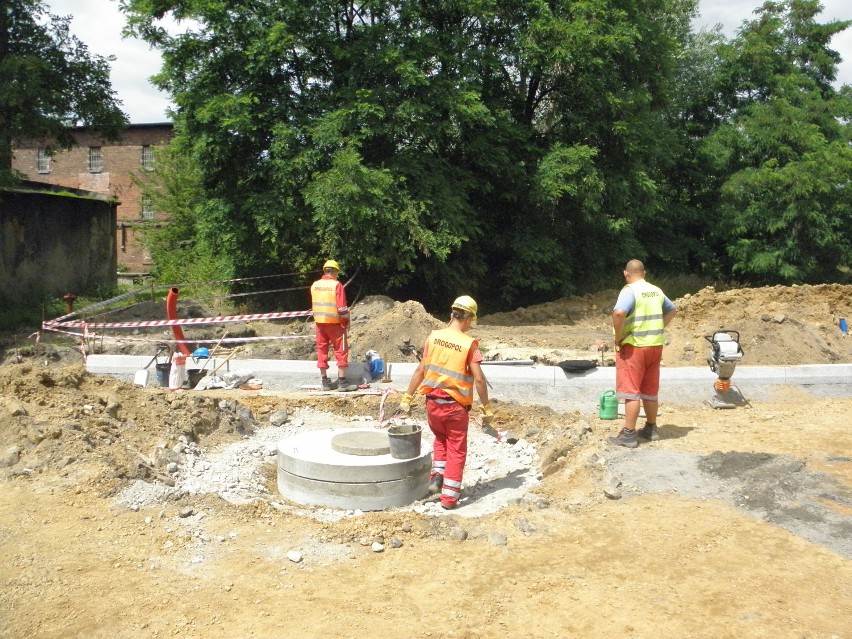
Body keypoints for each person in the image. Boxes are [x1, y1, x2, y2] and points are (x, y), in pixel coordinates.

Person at [397, 296, 494, 509]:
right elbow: (478, 379)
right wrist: (487, 408)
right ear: (468, 319)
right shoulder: (470, 344)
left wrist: (408, 397)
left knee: (441, 440)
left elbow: (420, 370)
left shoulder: (433, 338)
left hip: (432, 403)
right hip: (455, 406)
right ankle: (449, 498)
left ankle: (436, 480)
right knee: (457, 449)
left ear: (452, 314)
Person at [609, 259, 677, 448]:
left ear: (626, 274)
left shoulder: (630, 291)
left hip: (635, 346)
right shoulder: (656, 290)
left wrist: (619, 337)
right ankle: (650, 428)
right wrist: (658, 327)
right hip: (655, 346)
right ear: (644, 274)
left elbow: (619, 313)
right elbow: (672, 310)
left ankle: (629, 435)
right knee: (649, 389)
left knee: (631, 391)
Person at [310, 259, 356, 392]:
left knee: (321, 350)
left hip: (319, 324)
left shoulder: (315, 285)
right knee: (341, 350)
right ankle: (342, 382)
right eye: (337, 272)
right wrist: (345, 323)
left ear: (325, 270)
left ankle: (324, 382)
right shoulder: (336, 285)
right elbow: (342, 308)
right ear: (334, 271)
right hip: (336, 325)